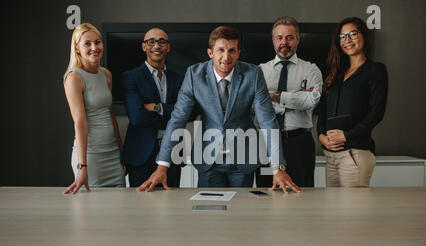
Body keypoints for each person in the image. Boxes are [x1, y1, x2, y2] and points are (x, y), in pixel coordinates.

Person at [138, 26, 301, 193]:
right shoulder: (194, 75)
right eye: (220, 50)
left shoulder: (253, 74)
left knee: (239, 214)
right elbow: (178, 118)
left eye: (231, 50)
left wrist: (277, 167)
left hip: (243, 159)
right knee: (209, 215)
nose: (226, 56)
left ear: (238, 53)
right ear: (210, 53)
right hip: (209, 160)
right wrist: (162, 166)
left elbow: (267, 120)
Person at [317, 17, 388, 187]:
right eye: (342, 37)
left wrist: (346, 136)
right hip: (331, 155)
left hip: (355, 153)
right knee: (333, 212)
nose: (347, 41)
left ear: (364, 36)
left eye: (352, 34)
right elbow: (323, 111)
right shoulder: (335, 74)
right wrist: (321, 136)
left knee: (353, 212)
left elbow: (377, 113)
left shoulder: (375, 70)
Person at [257, 16, 323, 188]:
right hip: (267, 143)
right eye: (279, 38)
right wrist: (297, 98)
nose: (284, 42)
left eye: (289, 37)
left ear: (298, 39)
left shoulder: (311, 69)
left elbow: (312, 100)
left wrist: (274, 96)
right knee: (267, 192)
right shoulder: (260, 71)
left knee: (303, 194)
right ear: (273, 40)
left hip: (299, 143)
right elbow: (254, 106)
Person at [63, 23, 125, 194]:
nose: (94, 48)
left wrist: (121, 151)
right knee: (93, 214)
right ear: (76, 48)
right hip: (91, 157)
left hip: (112, 155)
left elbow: (111, 114)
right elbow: (80, 123)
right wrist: (82, 166)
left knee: (118, 212)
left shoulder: (106, 74)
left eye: (97, 42)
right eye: (87, 44)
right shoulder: (74, 77)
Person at [122, 28, 184, 188]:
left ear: (168, 47)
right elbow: (137, 116)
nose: (157, 45)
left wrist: (157, 107)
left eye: (162, 41)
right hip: (140, 153)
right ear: (144, 46)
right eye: (151, 41)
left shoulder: (180, 79)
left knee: (171, 206)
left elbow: (188, 113)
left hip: (172, 153)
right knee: (140, 208)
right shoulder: (131, 77)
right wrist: (172, 115)